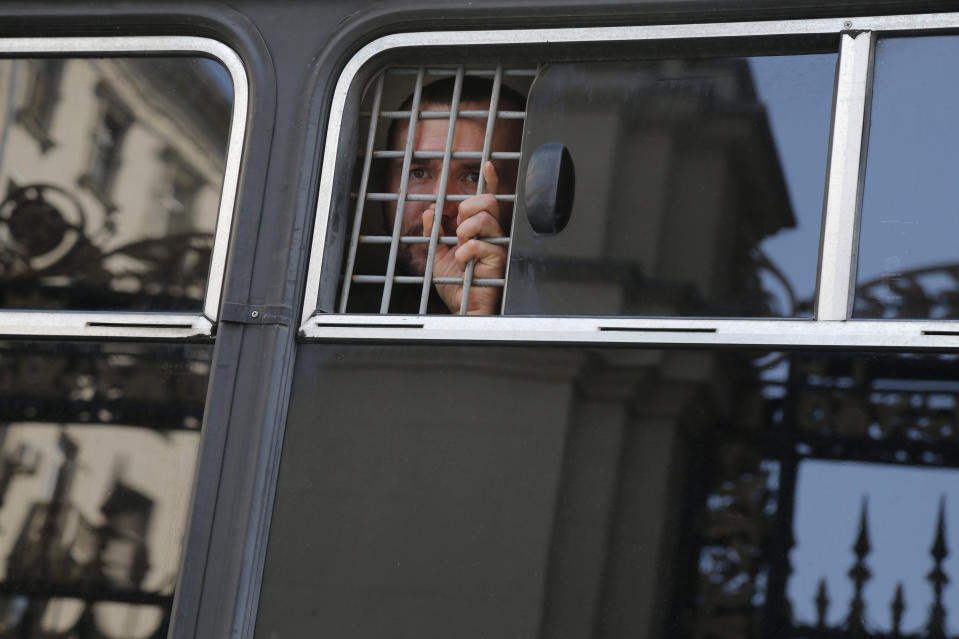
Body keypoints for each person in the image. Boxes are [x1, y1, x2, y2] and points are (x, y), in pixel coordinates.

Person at [383, 77, 525, 315]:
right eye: (418, 173)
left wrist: (476, 317)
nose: (439, 207)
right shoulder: (336, 312)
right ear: (381, 182)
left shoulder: (556, 320)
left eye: (473, 177)